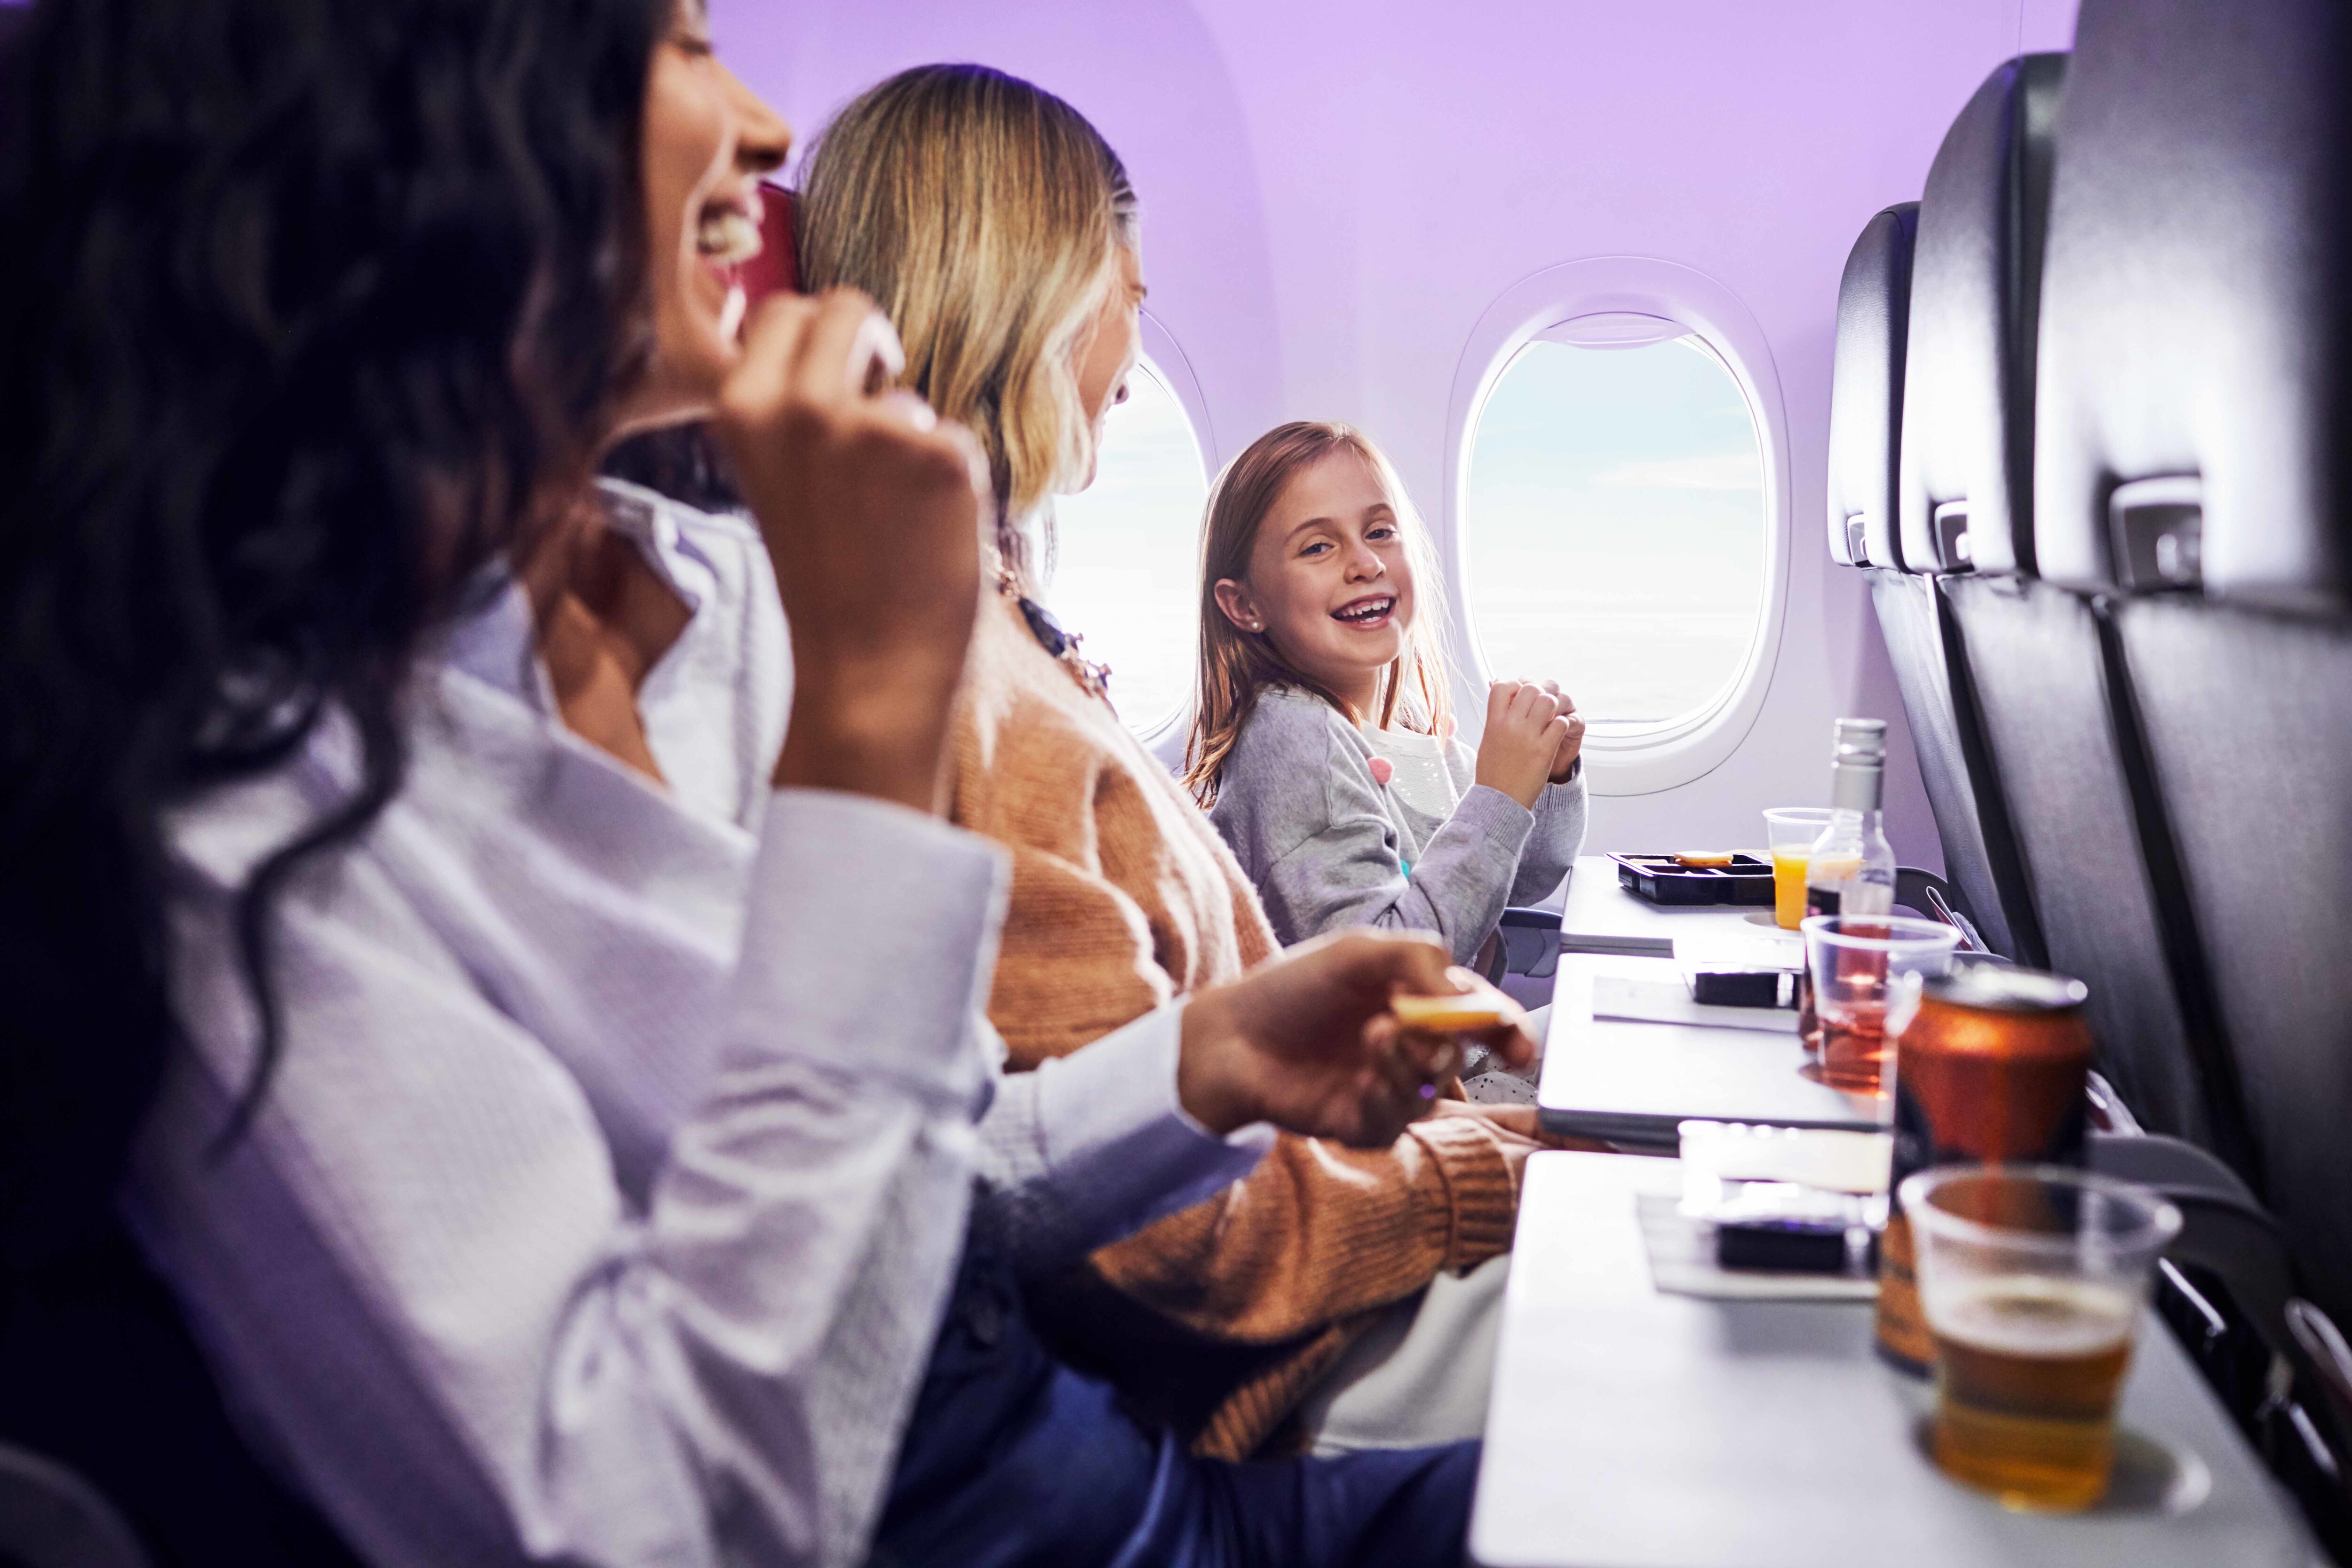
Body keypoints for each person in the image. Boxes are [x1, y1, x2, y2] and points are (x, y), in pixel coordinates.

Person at [0, 2, 1526, 1563]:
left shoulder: (705, 585)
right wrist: (869, 724)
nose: (764, 126)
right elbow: (650, 1524)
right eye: (673, 49)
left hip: (1106, 1486)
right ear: (410, 134)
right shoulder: (251, 818)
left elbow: (901, 1184)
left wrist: (1201, 1064)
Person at [798, 64, 1567, 1463]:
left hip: (1341, 1229)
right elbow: (1179, 1239)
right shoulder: (951, 682)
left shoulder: (1005, 629)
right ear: (1032, 294)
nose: (1139, 342)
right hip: (1305, 1345)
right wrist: (1496, 1166)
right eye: (1125, 292)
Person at [1188, 421, 1588, 1100]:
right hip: (1393, 1103)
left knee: (1633, 1028)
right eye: (1318, 545)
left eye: (1380, 532)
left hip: (1454, 1068)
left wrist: (1547, 776)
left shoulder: (1397, 734)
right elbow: (1385, 983)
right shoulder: (1294, 739)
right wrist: (1500, 797)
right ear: (1245, 604)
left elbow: (1526, 876)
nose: (1364, 563)